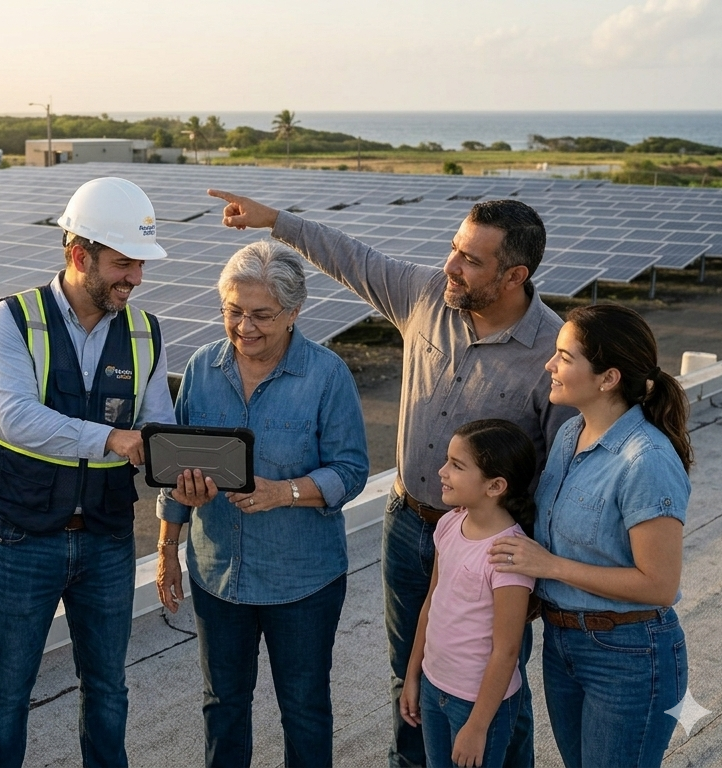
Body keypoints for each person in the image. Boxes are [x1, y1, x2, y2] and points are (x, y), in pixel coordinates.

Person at [209, 188, 575, 768]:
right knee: (410, 678)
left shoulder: (550, 353)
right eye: (454, 249)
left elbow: (560, 475)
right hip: (409, 526)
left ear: (514, 276)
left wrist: (537, 568)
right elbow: (351, 256)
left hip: (491, 551)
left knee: (497, 684)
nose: (450, 265)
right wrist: (275, 220)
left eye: (471, 260)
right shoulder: (427, 296)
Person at [0, 177, 175, 767]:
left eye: (140, 265)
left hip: (108, 541)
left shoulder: (145, 331)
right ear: (78, 255)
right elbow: (17, 420)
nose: (135, 278)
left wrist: (184, 473)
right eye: (123, 263)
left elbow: (157, 426)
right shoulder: (13, 321)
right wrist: (111, 437)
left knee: (109, 692)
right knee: (7, 696)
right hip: (23, 538)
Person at [156, 241, 369, 767]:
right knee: (223, 705)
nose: (245, 327)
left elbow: (351, 470)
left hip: (302, 581)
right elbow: (178, 458)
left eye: (261, 315)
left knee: (303, 709)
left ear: (294, 314)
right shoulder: (204, 368)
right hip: (217, 575)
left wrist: (285, 492)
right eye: (233, 312)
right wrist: (167, 547)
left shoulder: (326, 375)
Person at [489, 304, 692, 768]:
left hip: (629, 656)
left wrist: (549, 566)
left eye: (564, 356)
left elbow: (658, 585)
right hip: (564, 646)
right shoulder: (569, 436)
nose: (549, 365)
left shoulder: (646, 462)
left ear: (607, 378)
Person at [401, 420, 537, 768]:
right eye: (448, 460)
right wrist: (413, 675)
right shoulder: (448, 524)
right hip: (433, 688)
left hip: (478, 705)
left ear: (495, 486)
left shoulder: (508, 552)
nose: (442, 471)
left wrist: (477, 726)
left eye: (457, 466)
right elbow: (431, 604)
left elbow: (507, 651)